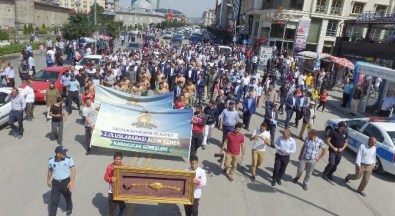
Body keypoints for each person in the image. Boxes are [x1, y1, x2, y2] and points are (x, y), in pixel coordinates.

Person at [47, 146, 75, 216]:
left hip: (66, 182)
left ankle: (69, 208)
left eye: (65, 152)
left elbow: (73, 170)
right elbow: (50, 171)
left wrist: (72, 181)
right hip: (55, 183)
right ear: (58, 154)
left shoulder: (69, 159)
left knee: (67, 197)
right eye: (63, 152)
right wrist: (48, 180)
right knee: (53, 202)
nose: (65, 153)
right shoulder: (51, 161)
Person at [104, 152, 126, 216]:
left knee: (121, 201)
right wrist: (111, 179)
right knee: (112, 205)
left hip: (120, 189)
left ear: (121, 159)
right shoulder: (110, 167)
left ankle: (122, 209)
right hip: (112, 189)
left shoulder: (124, 167)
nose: (118, 160)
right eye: (116, 159)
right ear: (114, 159)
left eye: (119, 159)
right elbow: (105, 177)